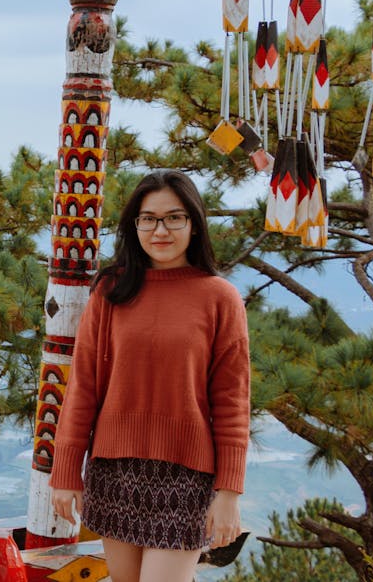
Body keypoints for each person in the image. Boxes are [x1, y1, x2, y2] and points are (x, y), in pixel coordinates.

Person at [50, 170, 250, 582]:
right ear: (134, 225)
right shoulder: (111, 289)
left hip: (186, 477)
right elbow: (83, 385)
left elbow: (232, 403)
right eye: (149, 218)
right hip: (114, 471)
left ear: (193, 224)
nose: (161, 230)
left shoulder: (220, 299)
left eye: (174, 218)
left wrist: (229, 492)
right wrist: (66, 470)